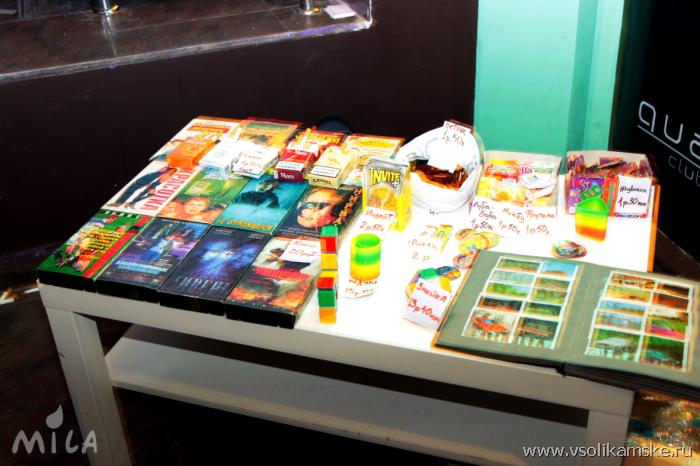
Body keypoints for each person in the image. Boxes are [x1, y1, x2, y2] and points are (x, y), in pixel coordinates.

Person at [107, 167, 177, 209]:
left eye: (173, 171)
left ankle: (131, 203)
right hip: (146, 183)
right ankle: (119, 203)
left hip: (152, 184)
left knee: (143, 195)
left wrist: (154, 186)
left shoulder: (167, 176)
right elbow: (154, 178)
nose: (171, 171)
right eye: (171, 170)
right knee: (131, 191)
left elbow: (159, 182)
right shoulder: (161, 172)